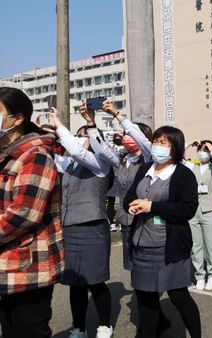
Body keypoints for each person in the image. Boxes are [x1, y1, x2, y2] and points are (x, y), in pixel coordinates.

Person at [124, 126, 201, 337]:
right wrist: (131, 205)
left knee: (179, 297)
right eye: (156, 141)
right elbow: (130, 195)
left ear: (174, 149)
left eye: (163, 143)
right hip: (142, 246)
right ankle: (151, 330)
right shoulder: (145, 168)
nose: (157, 146)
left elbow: (187, 209)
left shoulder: (183, 174)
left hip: (168, 246)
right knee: (145, 299)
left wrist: (153, 206)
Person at [0, 87, 64, 338]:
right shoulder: (6, 155)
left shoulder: (35, 155)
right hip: (7, 262)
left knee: (29, 331)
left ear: (18, 119)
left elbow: (24, 214)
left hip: (29, 264)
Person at [50, 104, 114, 338]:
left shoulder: (100, 164)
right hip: (70, 228)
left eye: (84, 135)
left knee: (95, 281)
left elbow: (77, 151)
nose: (79, 139)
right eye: (78, 136)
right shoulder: (70, 164)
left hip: (92, 227)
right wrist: (44, 130)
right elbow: (53, 157)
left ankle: (105, 324)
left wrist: (59, 125)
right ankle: (79, 327)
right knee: (75, 282)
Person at [90, 100, 154, 271]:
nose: (125, 136)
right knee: (131, 261)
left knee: (146, 259)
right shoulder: (122, 159)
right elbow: (102, 149)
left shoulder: (149, 159)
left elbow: (140, 139)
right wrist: (91, 123)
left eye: (129, 133)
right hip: (126, 218)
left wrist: (116, 114)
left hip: (144, 218)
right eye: (125, 134)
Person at [185, 140, 212, 291]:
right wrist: (188, 144)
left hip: (209, 211)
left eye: (205, 150)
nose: (202, 152)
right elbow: (176, 155)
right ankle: (200, 275)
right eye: (200, 149)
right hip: (193, 212)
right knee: (196, 246)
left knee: (211, 246)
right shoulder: (192, 166)